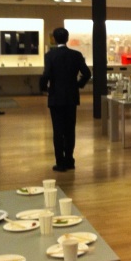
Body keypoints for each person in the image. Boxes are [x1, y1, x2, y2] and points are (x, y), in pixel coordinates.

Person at [39, 27, 91, 172]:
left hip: (56, 97)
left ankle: (60, 162)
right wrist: (78, 84)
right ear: (67, 38)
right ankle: (69, 160)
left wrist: (43, 88)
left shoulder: (50, 55)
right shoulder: (76, 55)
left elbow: (46, 74)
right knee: (70, 129)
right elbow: (87, 73)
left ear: (54, 39)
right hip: (71, 96)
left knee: (58, 130)